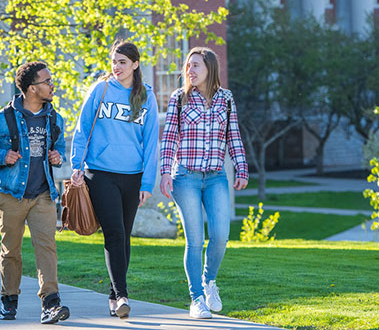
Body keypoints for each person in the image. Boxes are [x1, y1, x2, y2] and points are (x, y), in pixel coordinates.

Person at [0, 62, 71, 325]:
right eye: (47, 81)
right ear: (31, 88)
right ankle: (9, 298)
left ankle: (51, 303)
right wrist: (1, 155)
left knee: (46, 247)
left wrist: (57, 156)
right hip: (10, 194)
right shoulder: (3, 118)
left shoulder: (53, 117)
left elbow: (59, 146)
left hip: (43, 194)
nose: (52, 85)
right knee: (11, 250)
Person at [69, 40, 159, 320]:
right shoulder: (101, 89)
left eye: (122, 62)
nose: (116, 67)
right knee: (115, 233)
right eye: (114, 61)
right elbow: (83, 128)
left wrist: (147, 183)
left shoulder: (147, 96)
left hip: (132, 177)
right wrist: (76, 165)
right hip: (101, 172)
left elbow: (150, 142)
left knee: (124, 236)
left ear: (135, 64)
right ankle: (122, 295)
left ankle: (113, 296)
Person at [159, 47, 249, 318]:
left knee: (221, 236)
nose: (190, 70)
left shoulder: (226, 99)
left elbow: (233, 136)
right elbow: (170, 138)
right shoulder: (179, 98)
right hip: (185, 176)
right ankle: (196, 298)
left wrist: (241, 168)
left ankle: (209, 282)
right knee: (195, 239)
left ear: (210, 68)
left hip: (216, 177)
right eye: (188, 65)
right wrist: (165, 172)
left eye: (196, 65)